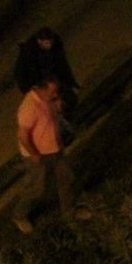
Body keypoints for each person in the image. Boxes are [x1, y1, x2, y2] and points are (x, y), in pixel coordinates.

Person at [13, 78, 85, 232]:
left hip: (55, 149)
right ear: (41, 89)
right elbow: (22, 135)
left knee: (66, 178)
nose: (56, 94)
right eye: (53, 91)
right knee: (36, 188)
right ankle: (19, 215)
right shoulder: (29, 107)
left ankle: (69, 211)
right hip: (38, 155)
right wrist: (34, 154)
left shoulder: (48, 98)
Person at [13, 26, 80, 116]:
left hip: (53, 78)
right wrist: (32, 91)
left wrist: (71, 82)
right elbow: (22, 75)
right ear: (39, 42)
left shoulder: (56, 43)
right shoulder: (29, 53)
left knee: (68, 98)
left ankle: (70, 114)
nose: (49, 46)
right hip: (38, 83)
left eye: (50, 43)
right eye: (46, 43)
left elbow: (62, 63)